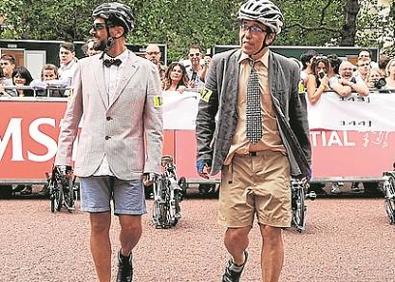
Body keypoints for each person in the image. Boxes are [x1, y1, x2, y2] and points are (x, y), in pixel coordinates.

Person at [195, 1, 311, 281]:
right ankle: (237, 261)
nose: (246, 34)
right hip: (236, 162)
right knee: (234, 235)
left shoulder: (289, 68)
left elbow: (299, 117)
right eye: (244, 27)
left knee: (272, 231)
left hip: (275, 161)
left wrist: (305, 161)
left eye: (255, 28)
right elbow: (205, 112)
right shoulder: (220, 65)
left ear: (269, 36)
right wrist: (203, 151)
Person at [54, 2, 163, 282]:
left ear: (117, 30)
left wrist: (154, 163)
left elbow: (153, 123)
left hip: (129, 158)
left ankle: (125, 255)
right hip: (92, 157)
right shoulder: (84, 67)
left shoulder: (146, 70)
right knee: (98, 224)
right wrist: (63, 157)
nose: (93, 32)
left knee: (131, 226)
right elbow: (71, 117)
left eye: (99, 27)